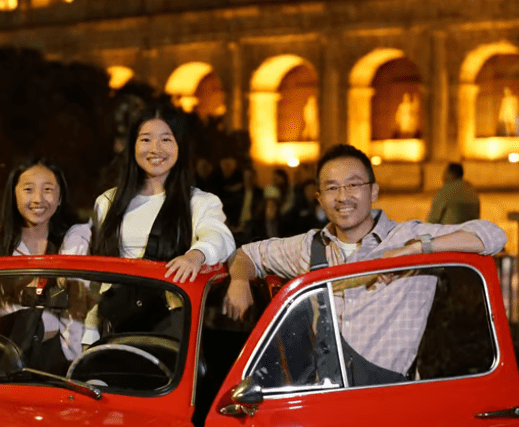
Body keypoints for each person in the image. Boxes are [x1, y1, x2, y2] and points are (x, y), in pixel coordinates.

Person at [223, 144, 506, 382]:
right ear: (320, 199)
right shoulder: (308, 247)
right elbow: (246, 254)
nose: (343, 196)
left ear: (373, 192)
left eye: (354, 185)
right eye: (332, 188)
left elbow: (492, 235)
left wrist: (415, 250)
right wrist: (239, 280)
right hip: (325, 399)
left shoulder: (405, 236)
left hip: (388, 400)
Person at [90, 97, 235, 280]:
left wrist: (194, 257)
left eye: (165, 139)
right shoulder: (107, 202)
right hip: (110, 306)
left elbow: (220, 238)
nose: (155, 149)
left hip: (169, 305)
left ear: (180, 146)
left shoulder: (200, 202)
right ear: (133, 146)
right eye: (145, 140)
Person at [0, 157, 90, 373]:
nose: (38, 199)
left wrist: (76, 361)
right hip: (3, 353)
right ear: (13, 194)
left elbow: (80, 303)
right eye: (28, 190)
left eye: (47, 190)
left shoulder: (73, 240)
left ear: (60, 196)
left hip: (58, 356)